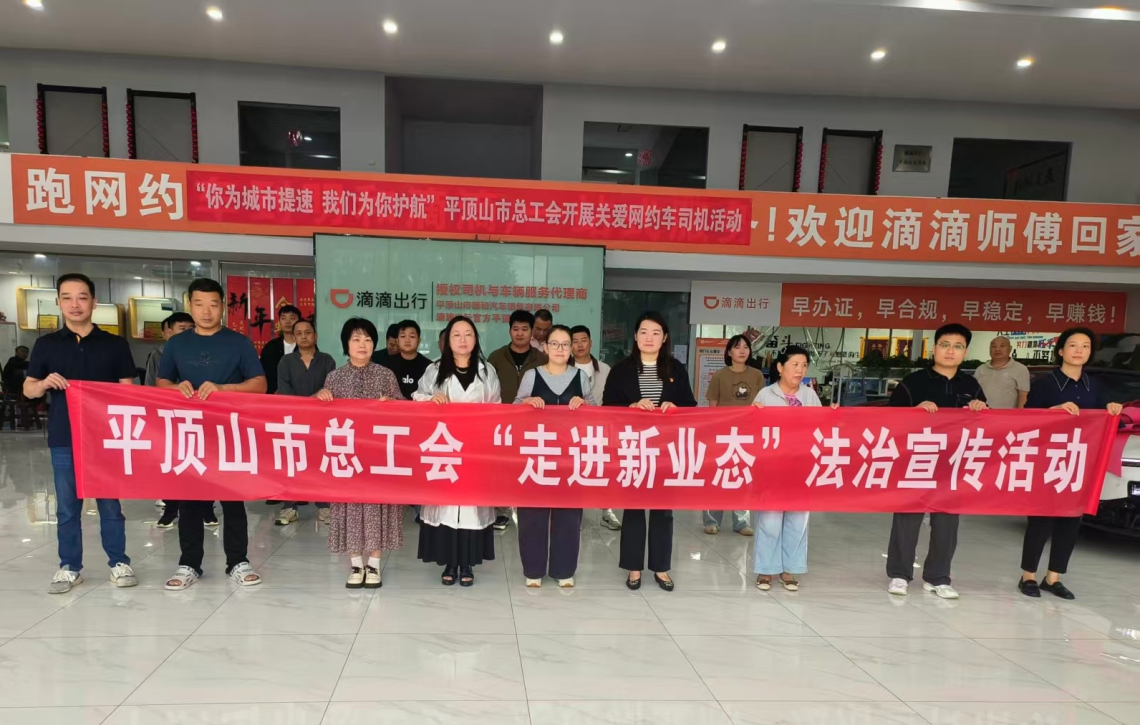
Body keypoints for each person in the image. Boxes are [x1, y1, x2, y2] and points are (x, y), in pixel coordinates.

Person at [23, 273, 139, 594]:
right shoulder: (47, 344)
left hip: (106, 437)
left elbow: (128, 390)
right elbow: (29, 389)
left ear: (94, 302)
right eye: (67, 298)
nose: (75, 304)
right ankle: (70, 567)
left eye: (82, 297)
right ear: (59, 302)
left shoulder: (115, 344)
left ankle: (119, 562)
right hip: (64, 436)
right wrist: (44, 383)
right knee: (67, 507)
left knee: (110, 505)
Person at [158, 277, 267, 590]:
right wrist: (175, 388)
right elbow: (162, 382)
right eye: (199, 304)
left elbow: (259, 384)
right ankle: (189, 564)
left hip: (228, 432)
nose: (206, 311)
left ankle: (238, 561)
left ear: (223, 307)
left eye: (213, 304)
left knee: (233, 500)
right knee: (189, 501)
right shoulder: (177, 344)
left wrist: (224, 389)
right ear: (189, 305)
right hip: (189, 432)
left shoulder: (239, 343)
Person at [1018, 327, 1122, 600]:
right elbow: (1026, 419)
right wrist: (1051, 412)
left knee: (1071, 519)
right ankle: (1028, 575)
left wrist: (1113, 410)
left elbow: (1107, 420)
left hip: (1080, 461)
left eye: (1085, 346)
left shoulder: (1096, 386)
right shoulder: (1045, 383)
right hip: (1047, 460)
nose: (1079, 350)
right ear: (1061, 350)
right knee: (1040, 518)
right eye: (1073, 345)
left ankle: (1053, 578)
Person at [885, 323, 988, 600]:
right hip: (916, 461)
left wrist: (980, 408)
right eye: (945, 345)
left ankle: (938, 577)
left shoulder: (971, 385)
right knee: (907, 519)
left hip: (953, 464)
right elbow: (890, 418)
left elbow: (984, 425)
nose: (950, 351)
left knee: (947, 523)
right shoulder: (914, 381)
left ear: (965, 352)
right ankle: (899, 574)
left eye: (957, 346)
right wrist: (914, 411)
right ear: (934, 349)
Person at [603, 311, 696, 592]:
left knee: (663, 510)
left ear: (664, 338)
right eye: (643, 332)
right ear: (635, 336)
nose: (649, 338)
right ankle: (633, 567)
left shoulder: (676, 369)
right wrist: (630, 407)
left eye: (656, 333)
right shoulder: (621, 369)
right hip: (633, 448)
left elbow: (690, 406)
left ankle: (661, 567)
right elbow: (607, 409)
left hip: (665, 449)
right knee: (633, 508)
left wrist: (675, 408)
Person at [318, 318, 406, 589]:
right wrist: (321, 396)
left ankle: (374, 564)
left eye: (368, 340)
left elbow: (405, 409)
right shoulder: (334, 377)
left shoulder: (385, 375)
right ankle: (356, 563)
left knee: (379, 507)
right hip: (347, 456)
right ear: (346, 344)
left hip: (379, 456)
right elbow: (320, 417)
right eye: (356, 339)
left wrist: (393, 404)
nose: (362, 345)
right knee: (349, 507)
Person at [413, 316, 501, 586]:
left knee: (472, 506)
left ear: (476, 339)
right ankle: (450, 562)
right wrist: (431, 399)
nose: (463, 340)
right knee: (447, 506)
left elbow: (496, 406)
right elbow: (417, 397)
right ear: (447, 340)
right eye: (456, 335)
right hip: (445, 448)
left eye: (468, 334)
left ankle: (467, 563)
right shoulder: (434, 369)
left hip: (475, 449)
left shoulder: (487, 371)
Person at [515, 325, 594, 588]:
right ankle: (533, 570)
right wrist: (526, 403)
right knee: (532, 515)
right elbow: (513, 408)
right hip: (536, 455)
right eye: (555, 344)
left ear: (571, 349)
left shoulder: (581, 377)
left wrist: (585, 405)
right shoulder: (531, 375)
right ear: (545, 347)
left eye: (565, 344)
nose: (560, 349)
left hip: (570, 456)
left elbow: (597, 413)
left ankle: (564, 570)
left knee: (568, 515)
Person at [751, 345, 820, 591]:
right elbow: (752, 430)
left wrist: (832, 414)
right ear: (780, 367)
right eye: (794, 365)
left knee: (797, 521)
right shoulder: (765, 394)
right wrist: (753, 414)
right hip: (772, 468)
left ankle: (789, 569)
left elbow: (821, 427)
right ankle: (766, 570)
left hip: (801, 468)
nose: (800, 370)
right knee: (769, 521)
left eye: (804, 365)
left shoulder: (810, 396)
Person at [487, 310, 547, 530]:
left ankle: (528, 507)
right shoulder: (496, 357)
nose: (520, 333)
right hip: (502, 423)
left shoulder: (542, 359)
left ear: (532, 332)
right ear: (509, 330)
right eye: (515, 329)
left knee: (529, 464)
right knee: (503, 467)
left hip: (533, 424)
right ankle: (501, 510)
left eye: (524, 329)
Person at [274, 318, 337, 527]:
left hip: (320, 422)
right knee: (292, 464)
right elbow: (284, 395)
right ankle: (289, 507)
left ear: (315, 336)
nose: (303, 336)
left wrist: (318, 399)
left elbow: (330, 390)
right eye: (299, 333)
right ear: (294, 337)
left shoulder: (327, 360)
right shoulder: (286, 362)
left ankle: (324, 507)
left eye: (307, 332)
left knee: (321, 463)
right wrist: (313, 399)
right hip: (293, 421)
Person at [703, 335, 762, 537]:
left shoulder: (756, 375)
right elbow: (712, 406)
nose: (742, 351)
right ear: (729, 352)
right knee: (718, 477)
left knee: (743, 477)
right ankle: (711, 521)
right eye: (737, 347)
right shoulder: (720, 375)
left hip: (747, 435)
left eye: (746, 347)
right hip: (722, 435)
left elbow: (761, 404)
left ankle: (742, 522)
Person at [147, 312, 195, 529]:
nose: (187, 334)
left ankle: (205, 509)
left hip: (194, 417)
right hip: (166, 417)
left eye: (190, 329)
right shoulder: (157, 356)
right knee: (171, 465)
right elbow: (151, 386)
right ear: (168, 332)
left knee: (196, 463)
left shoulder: (198, 352)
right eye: (182, 329)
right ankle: (171, 509)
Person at [570, 324, 620, 532]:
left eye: (583, 340)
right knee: (574, 470)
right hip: (573, 430)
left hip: (600, 429)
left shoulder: (605, 369)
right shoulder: (564, 369)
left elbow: (613, 399)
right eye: (574, 341)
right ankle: (574, 514)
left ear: (591, 343)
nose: (579, 345)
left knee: (604, 470)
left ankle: (606, 511)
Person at [380, 319, 433, 399]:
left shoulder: (429, 367)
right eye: (403, 336)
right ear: (397, 340)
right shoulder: (386, 365)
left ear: (419, 341)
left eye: (412, 336)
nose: (407, 340)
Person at [975, 336, 1030, 410]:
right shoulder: (980, 369)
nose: (997, 349)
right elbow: (973, 394)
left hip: (1007, 416)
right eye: (994, 346)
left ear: (1010, 349)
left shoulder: (1020, 369)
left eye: (1002, 346)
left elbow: (1023, 396)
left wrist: (1020, 415)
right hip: (982, 414)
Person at [259, 304, 302, 395]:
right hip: (273, 396)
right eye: (283, 318)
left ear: (299, 321)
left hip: (300, 396)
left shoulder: (306, 346)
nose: (287, 321)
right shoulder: (271, 347)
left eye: (292, 318)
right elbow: (263, 373)